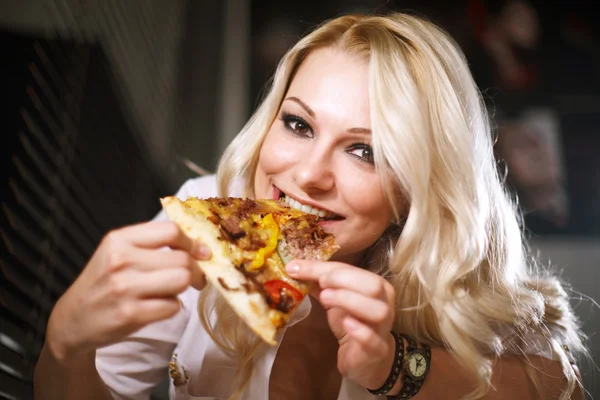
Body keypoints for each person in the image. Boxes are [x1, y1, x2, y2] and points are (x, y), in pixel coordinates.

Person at [33, 11, 587, 400]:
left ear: (418, 188)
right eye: (298, 124)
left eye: (364, 151)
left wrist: (392, 366)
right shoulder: (211, 215)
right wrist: (65, 345)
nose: (307, 174)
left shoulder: (459, 281)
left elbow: (556, 387)